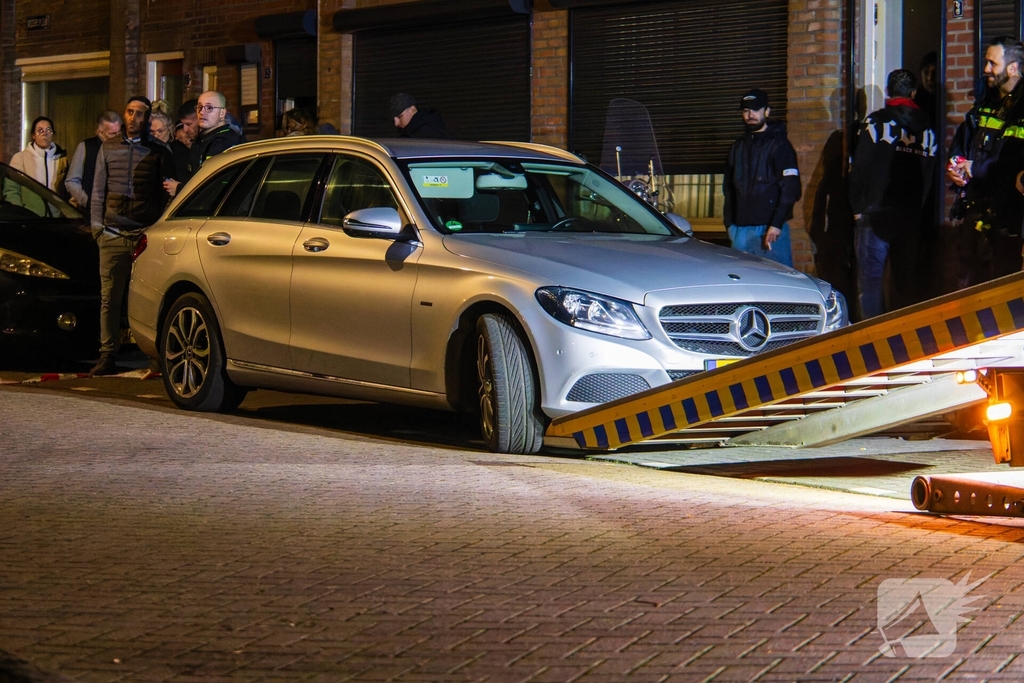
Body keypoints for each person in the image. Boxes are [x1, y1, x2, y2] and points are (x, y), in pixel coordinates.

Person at [88, 96, 177, 376]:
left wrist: (156, 230)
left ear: (147, 119)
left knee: (148, 299)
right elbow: (98, 190)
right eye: (129, 112)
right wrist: (98, 229)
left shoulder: (159, 151)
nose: (133, 118)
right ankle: (107, 353)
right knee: (109, 298)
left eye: (139, 113)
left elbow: (167, 195)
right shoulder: (108, 147)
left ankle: (153, 356)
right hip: (112, 232)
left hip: (143, 233)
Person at [848, 69, 938, 319]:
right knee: (905, 281)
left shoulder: (875, 123)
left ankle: (873, 334)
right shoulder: (928, 130)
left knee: (870, 282)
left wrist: (857, 207)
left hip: (875, 211)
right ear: (913, 93)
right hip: (909, 213)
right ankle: (905, 334)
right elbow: (928, 175)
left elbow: (860, 167)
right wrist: (918, 208)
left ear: (888, 91)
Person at [948, 36, 1024, 287]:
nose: (986, 69)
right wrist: (955, 167)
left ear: (1012, 68)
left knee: (1001, 291)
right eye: (986, 62)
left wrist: (977, 168)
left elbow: (1013, 164)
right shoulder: (984, 103)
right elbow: (962, 142)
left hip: (1009, 218)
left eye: (993, 63)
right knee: (967, 289)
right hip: (975, 212)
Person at [722, 88, 801, 267]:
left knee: (778, 279)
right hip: (740, 231)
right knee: (742, 279)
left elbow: (790, 188)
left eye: (756, 110)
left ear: (766, 111)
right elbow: (728, 189)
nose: (750, 115)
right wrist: (730, 225)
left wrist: (776, 224)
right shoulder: (737, 147)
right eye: (746, 110)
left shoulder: (780, 145)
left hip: (769, 230)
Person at [165, 91, 243, 197]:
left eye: (209, 108)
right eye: (199, 107)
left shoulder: (223, 142)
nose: (202, 112)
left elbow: (214, 186)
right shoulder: (204, 140)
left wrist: (179, 189)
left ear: (222, 113)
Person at [64, 110, 123, 212]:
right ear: (101, 131)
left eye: (119, 132)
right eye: (112, 133)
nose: (117, 137)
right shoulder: (86, 147)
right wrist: (86, 201)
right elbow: (71, 181)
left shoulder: (123, 148)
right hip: (90, 211)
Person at [9, 116, 69, 194]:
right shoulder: (20, 158)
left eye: (48, 130)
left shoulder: (62, 159)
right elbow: (11, 187)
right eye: (40, 130)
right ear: (33, 135)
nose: (44, 133)